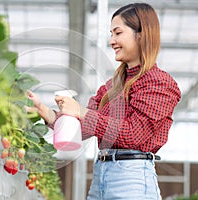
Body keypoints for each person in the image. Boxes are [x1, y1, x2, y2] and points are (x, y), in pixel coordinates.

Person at [26, 2, 181, 199]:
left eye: (118, 33)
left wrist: (81, 111)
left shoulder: (159, 82)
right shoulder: (112, 86)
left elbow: (134, 135)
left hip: (131, 178)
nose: (112, 41)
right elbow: (82, 129)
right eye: (111, 34)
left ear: (141, 34)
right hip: (101, 175)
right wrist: (44, 111)